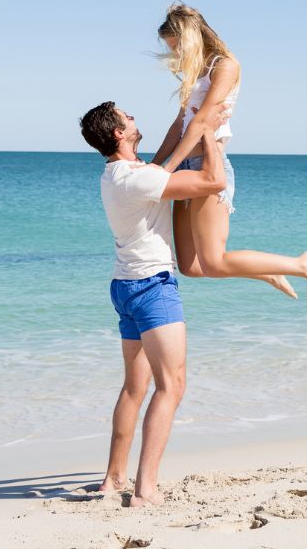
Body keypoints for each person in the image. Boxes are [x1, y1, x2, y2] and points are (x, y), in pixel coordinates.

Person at [78, 99, 229, 508]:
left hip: (125, 287)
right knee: (172, 386)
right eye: (127, 117)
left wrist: (191, 116)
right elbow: (214, 183)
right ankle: (145, 490)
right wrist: (211, 137)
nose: (133, 118)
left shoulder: (120, 174)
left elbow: (165, 155)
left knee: (135, 387)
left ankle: (113, 479)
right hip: (152, 288)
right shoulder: (137, 179)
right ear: (118, 133)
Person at [150, 3, 307, 297]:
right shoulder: (195, 71)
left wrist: (168, 169)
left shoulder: (225, 65)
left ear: (192, 38)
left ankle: (300, 264)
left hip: (205, 166)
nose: (176, 55)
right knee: (190, 266)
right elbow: (179, 125)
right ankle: (266, 272)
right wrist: (153, 167)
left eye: (177, 48)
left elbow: (201, 122)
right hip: (185, 165)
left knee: (213, 262)